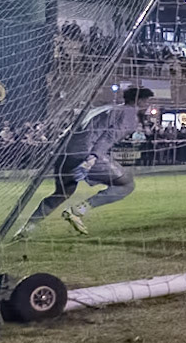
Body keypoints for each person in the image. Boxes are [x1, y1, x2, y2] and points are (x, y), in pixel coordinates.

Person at [17, 86, 154, 238]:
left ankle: (27, 228)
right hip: (85, 153)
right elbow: (109, 137)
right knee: (126, 184)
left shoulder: (105, 108)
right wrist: (93, 158)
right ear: (139, 101)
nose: (147, 105)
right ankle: (77, 211)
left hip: (63, 151)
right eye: (146, 101)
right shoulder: (129, 114)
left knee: (62, 193)